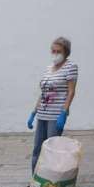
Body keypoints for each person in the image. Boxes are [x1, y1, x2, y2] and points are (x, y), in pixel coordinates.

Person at [26, 37, 78, 175]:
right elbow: (44, 92)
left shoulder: (71, 67)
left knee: (52, 150)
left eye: (58, 51)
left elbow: (71, 91)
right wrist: (33, 113)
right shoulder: (49, 69)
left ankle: (50, 182)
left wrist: (64, 113)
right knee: (37, 149)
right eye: (53, 51)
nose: (55, 54)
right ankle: (35, 181)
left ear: (66, 52)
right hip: (42, 114)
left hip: (55, 116)